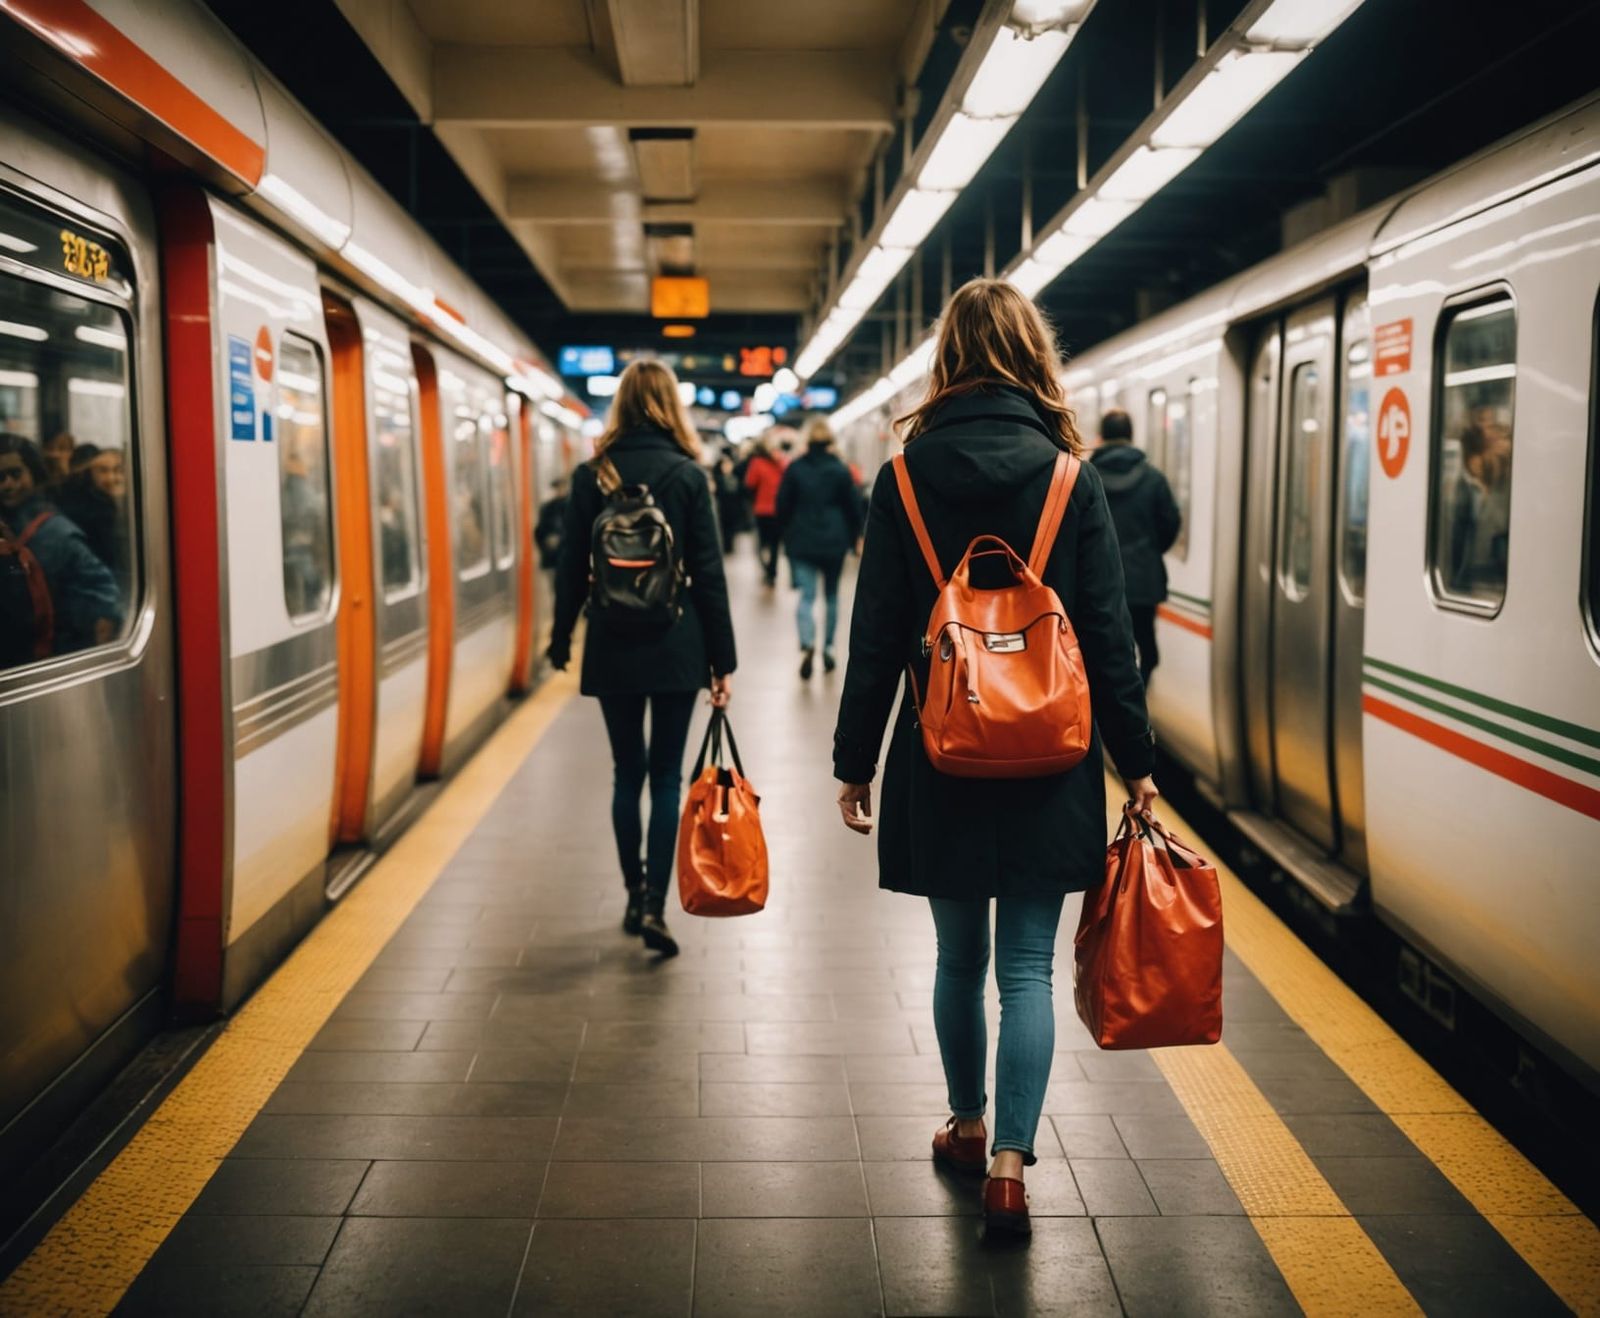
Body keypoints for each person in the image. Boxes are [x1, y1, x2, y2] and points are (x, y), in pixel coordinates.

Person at [831, 280, 1158, 1241]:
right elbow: (1106, 636)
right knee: (1026, 969)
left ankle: (967, 1124)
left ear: (947, 361)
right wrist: (1134, 760)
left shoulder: (900, 478)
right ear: (1030, 355)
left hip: (941, 749)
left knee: (957, 956)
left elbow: (879, 632)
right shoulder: (1070, 476)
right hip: (1052, 755)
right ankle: (1012, 1169)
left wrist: (857, 761)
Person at [548, 361, 736, 956]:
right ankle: (658, 904)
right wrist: (721, 661)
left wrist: (560, 638)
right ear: (670, 406)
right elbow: (708, 574)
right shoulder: (687, 475)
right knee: (666, 777)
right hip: (677, 644)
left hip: (611, 643)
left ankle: (633, 895)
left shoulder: (591, 475)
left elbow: (571, 566)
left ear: (621, 406)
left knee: (626, 775)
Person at [0, 433, 122, 664]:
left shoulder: (56, 533)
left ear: (33, 474)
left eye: (15, 474)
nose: (7, 484)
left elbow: (104, 596)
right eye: (0, 477)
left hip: (52, 656)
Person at [1088, 408, 1181, 686]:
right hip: (1143, 582)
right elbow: (1170, 523)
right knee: (1147, 649)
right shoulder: (1154, 479)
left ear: (1102, 437)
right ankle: (1137, 701)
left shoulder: (1089, 477)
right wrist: (1149, 552)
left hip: (1100, 582)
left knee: (1103, 650)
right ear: (1131, 435)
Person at [776, 417, 862, 679]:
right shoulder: (840, 469)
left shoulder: (795, 468)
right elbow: (853, 507)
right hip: (834, 541)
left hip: (802, 539)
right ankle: (828, 647)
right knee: (832, 596)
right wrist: (856, 536)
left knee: (806, 595)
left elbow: (782, 505)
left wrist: (787, 533)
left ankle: (807, 644)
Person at [743, 439, 785, 586]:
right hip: (778, 509)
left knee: (761, 543)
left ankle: (767, 568)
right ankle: (772, 571)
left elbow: (749, 483)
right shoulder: (782, 463)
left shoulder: (757, 463)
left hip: (761, 509)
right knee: (775, 543)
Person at [712, 446, 745, 554]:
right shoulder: (719, 478)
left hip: (732, 506)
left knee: (731, 527)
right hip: (724, 505)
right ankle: (727, 546)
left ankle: (729, 545)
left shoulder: (734, 477)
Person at [534, 476, 569, 571]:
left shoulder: (570, 507)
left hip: (565, 556)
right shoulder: (547, 508)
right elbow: (539, 531)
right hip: (552, 557)